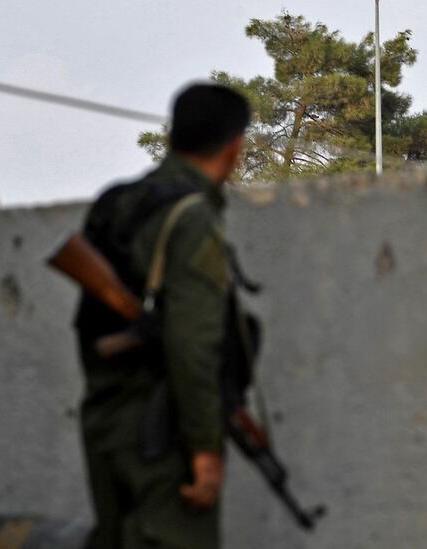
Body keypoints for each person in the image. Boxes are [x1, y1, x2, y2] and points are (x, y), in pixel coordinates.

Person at [74, 83, 251, 549]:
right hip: (161, 434)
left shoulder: (119, 202)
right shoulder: (192, 217)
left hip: (106, 419)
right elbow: (194, 345)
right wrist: (205, 451)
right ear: (235, 147)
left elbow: (86, 323)